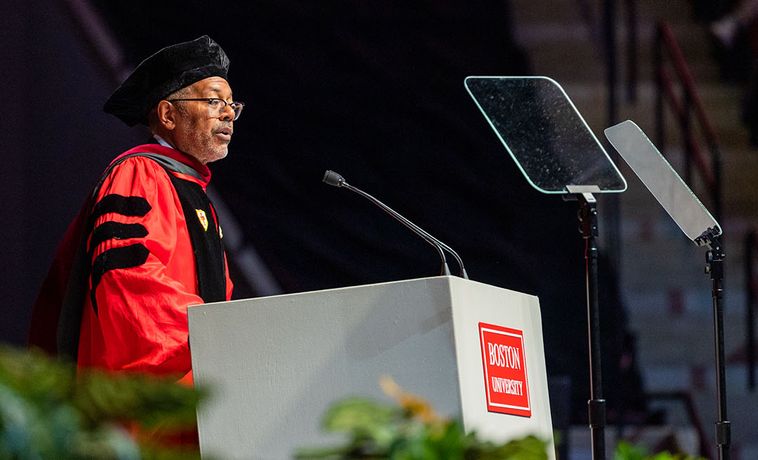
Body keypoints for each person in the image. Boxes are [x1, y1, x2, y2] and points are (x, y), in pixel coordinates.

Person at [28, 36, 239, 383]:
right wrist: (214, 334)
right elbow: (128, 280)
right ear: (168, 114)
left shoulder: (196, 195)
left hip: (199, 388)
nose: (229, 114)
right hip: (148, 395)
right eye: (215, 101)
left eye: (232, 105)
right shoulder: (138, 174)